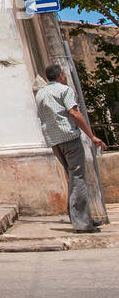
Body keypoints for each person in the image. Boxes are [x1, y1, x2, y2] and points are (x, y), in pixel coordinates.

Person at [35, 64, 106, 233]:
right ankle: (82, 223)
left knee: (73, 178)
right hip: (69, 138)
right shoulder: (64, 90)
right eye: (64, 74)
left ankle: (81, 217)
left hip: (54, 141)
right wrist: (92, 136)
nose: (65, 76)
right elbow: (74, 113)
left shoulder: (40, 93)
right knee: (79, 178)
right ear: (60, 76)